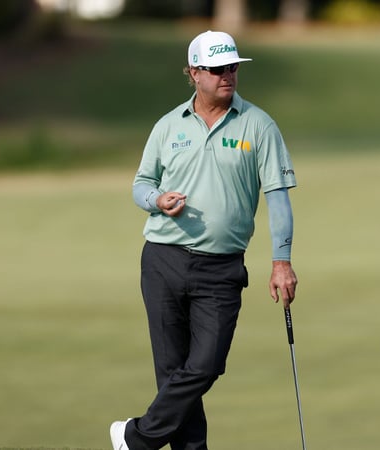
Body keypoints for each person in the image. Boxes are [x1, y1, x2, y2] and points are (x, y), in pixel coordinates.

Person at [110, 30, 298, 450]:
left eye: (232, 66)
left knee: (206, 366)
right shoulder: (168, 126)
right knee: (173, 370)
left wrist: (281, 261)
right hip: (163, 259)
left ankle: (134, 438)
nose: (228, 75)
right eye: (216, 69)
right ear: (194, 73)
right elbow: (142, 184)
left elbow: (278, 198)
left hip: (222, 266)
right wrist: (157, 200)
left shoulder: (259, 125)